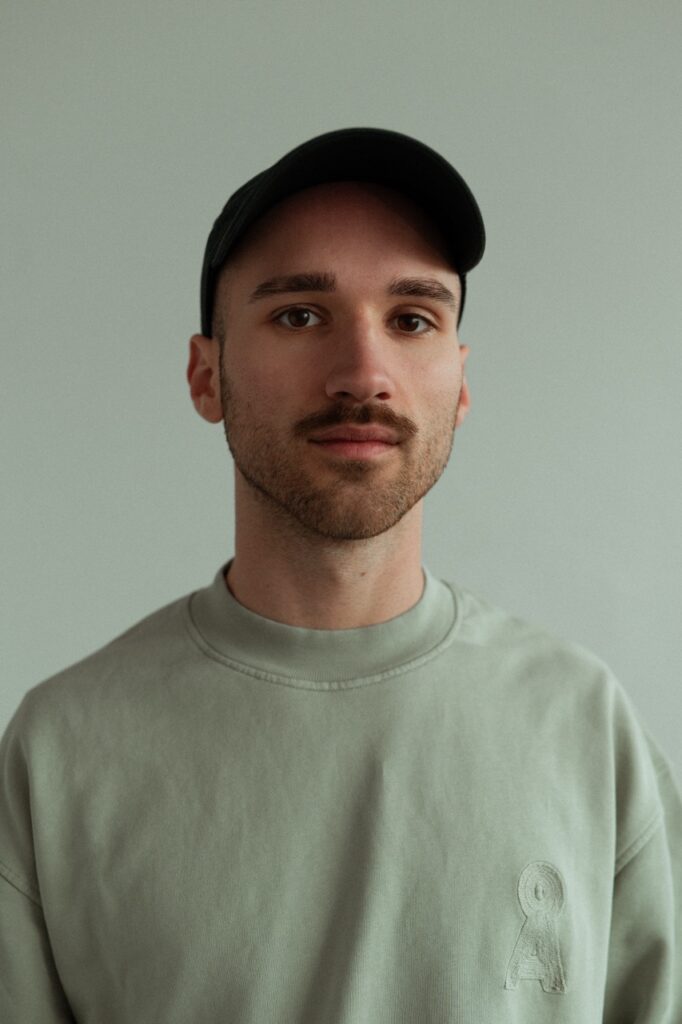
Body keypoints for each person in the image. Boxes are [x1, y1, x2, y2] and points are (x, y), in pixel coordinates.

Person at [0, 127, 680, 1023]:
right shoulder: (61, 753)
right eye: (299, 315)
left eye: (412, 319)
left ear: (460, 383)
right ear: (206, 375)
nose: (364, 373)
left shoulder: (586, 728)